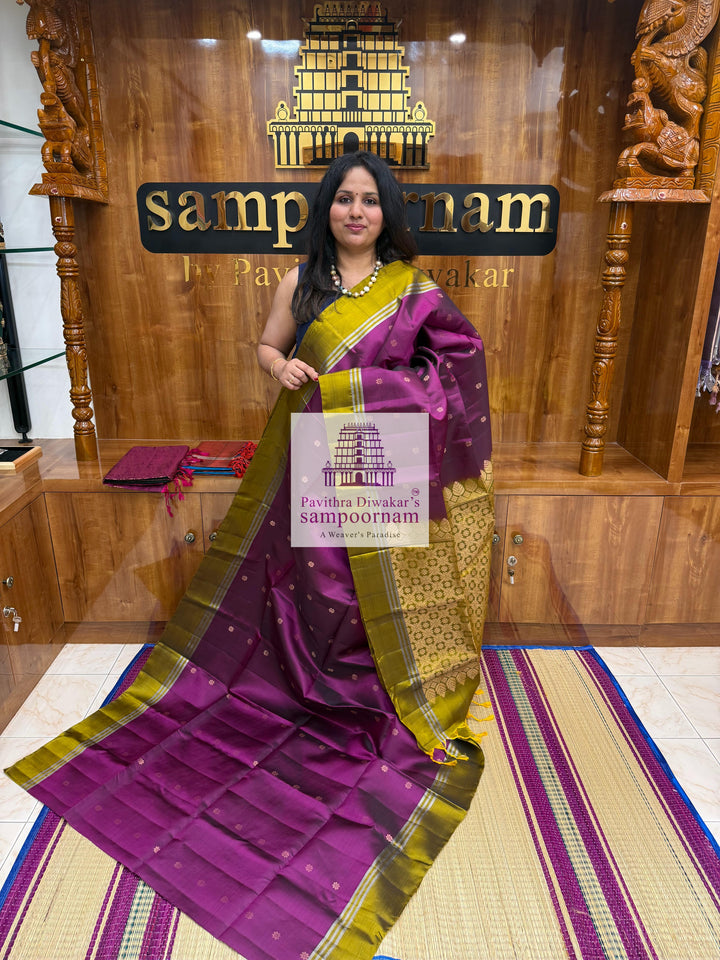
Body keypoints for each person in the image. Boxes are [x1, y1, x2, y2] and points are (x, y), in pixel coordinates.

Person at [6, 152, 494, 960]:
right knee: (321, 583)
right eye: (345, 199)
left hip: (387, 453)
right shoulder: (298, 285)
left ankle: (375, 690)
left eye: (371, 201)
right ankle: (315, 686)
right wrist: (286, 365)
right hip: (312, 449)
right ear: (327, 209)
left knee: (382, 587)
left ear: (388, 211)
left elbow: (458, 364)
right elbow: (266, 352)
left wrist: (377, 390)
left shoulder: (413, 289)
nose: (357, 211)